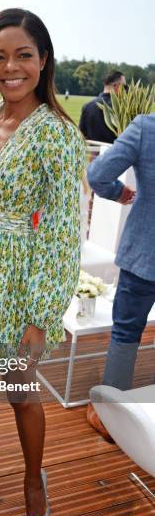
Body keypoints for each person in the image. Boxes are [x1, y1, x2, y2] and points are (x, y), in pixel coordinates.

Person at [0, 9, 85, 516]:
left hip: (19, 281)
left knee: (19, 388)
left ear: (44, 60)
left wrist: (41, 314)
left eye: (23, 55)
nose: (11, 67)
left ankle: (35, 480)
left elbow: (60, 233)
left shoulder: (58, 135)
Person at [86, 114, 154, 439]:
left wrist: (119, 193)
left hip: (144, 254)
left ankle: (111, 420)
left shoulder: (146, 128)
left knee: (126, 334)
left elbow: (97, 174)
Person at [79, 70, 126, 143]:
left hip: (95, 152)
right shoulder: (123, 107)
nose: (126, 90)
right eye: (124, 86)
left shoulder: (87, 106)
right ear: (116, 85)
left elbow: (82, 134)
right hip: (115, 152)